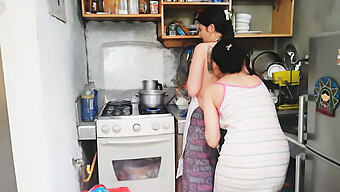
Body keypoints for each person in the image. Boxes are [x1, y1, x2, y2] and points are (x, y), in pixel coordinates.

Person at [203, 39, 290, 191]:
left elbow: (212, 140)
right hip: (277, 162)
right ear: (246, 62)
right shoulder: (258, 81)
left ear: (215, 65)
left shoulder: (212, 90)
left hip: (242, 165)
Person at [176, 7, 234, 192]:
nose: (199, 34)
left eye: (200, 29)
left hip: (203, 115)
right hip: (227, 115)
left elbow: (193, 89)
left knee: (198, 169)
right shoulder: (234, 50)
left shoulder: (202, 49)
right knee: (222, 167)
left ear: (211, 27)